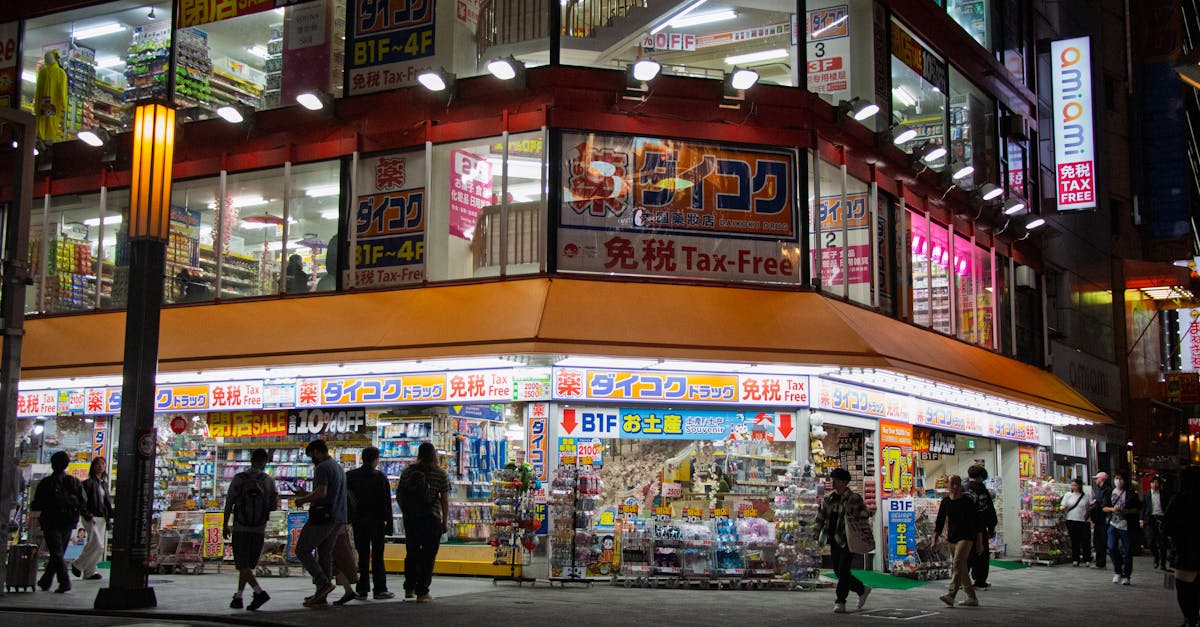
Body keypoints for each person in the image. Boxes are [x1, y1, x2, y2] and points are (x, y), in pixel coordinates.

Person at [223, 448, 279, 611]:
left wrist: (225, 524)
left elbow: (229, 503)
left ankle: (259, 592)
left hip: (241, 527)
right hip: (259, 529)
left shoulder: (239, 478)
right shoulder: (269, 481)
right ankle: (238, 596)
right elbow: (273, 506)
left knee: (242, 564)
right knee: (247, 565)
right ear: (264, 462)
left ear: (251, 460)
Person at [293, 439, 347, 607]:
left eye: (311, 456)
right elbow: (328, 492)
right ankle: (321, 595)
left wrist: (302, 499)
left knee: (302, 549)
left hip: (323, 516)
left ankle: (322, 583)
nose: (312, 460)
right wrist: (309, 493)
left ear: (317, 452)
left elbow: (322, 493)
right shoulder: (338, 467)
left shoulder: (322, 467)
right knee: (325, 554)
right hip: (338, 517)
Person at [396, 442, 451, 603]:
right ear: (434, 454)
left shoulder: (408, 471)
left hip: (412, 519)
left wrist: (406, 511)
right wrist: (444, 521)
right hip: (431, 518)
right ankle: (423, 591)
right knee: (428, 555)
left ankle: (409, 587)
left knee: (412, 553)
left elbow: (399, 494)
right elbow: (445, 500)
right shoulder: (440, 473)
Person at [813, 467, 872, 614]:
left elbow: (866, 513)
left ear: (844, 482)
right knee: (839, 572)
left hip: (848, 539)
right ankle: (861, 589)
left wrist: (852, 511)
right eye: (832, 479)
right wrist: (815, 534)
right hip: (833, 539)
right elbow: (820, 518)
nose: (833, 482)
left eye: (836, 479)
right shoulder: (828, 498)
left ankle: (840, 601)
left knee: (843, 569)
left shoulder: (854, 498)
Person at [31, 451, 84, 593]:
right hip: (68, 521)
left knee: (56, 552)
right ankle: (46, 580)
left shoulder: (46, 482)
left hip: (50, 521)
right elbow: (83, 501)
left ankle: (64, 581)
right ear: (67, 464)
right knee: (58, 552)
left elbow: (37, 504)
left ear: (52, 464)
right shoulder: (74, 481)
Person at [346, 446, 395, 599]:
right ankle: (380, 589)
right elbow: (386, 502)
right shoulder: (380, 477)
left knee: (363, 555)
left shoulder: (350, 476)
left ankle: (362, 588)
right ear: (376, 459)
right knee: (378, 555)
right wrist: (390, 524)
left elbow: (346, 499)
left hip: (359, 520)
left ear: (362, 458)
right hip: (377, 521)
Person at [933, 475, 984, 608]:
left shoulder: (968, 501)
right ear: (948, 486)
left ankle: (951, 595)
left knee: (957, 564)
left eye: (957, 484)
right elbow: (939, 522)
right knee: (961, 567)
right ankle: (972, 597)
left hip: (967, 537)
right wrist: (934, 540)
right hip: (952, 538)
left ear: (961, 485)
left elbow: (977, 522)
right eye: (952, 484)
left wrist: (980, 542)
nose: (955, 487)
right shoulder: (945, 502)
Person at [1165, 466, 1200, 627]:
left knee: (1184, 590)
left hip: (1185, 553)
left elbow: (1167, 526)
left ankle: (1190, 619)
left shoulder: (1179, 500)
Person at [73, 457, 113, 580]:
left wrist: (110, 516)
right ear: (93, 466)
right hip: (91, 516)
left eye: (103, 464)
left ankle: (90, 571)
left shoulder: (104, 484)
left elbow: (106, 502)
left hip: (101, 517)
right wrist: (86, 514)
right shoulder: (88, 483)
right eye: (98, 464)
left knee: (98, 546)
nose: (101, 466)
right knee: (97, 544)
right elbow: (82, 502)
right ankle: (78, 564)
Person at [1104, 469, 1141, 585]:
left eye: (1120, 479)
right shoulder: (1110, 492)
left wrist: (1126, 511)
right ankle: (1118, 571)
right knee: (1111, 547)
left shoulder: (1131, 494)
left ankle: (1126, 575)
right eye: (1116, 478)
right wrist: (1112, 509)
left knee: (1128, 550)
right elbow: (1104, 507)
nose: (1118, 481)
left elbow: (1137, 508)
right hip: (1113, 524)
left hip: (1126, 525)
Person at [963, 465, 997, 589]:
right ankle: (980, 581)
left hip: (963, 528)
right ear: (981, 477)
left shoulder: (962, 488)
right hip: (979, 527)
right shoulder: (982, 490)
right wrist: (992, 526)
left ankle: (962, 580)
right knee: (981, 554)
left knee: (964, 554)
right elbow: (989, 510)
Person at [1059, 477, 1092, 566]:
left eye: (1075, 485)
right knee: (1074, 540)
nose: (1073, 487)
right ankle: (1075, 559)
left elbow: (1089, 507)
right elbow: (1063, 505)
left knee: (1085, 540)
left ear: (1080, 486)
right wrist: (1062, 507)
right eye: (1072, 485)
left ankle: (1087, 559)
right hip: (1071, 519)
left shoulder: (1086, 496)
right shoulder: (1068, 495)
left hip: (1084, 521)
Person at [1142, 475, 1171, 570]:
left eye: (1156, 482)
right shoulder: (1147, 494)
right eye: (1153, 482)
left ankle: (1162, 564)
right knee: (1150, 541)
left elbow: (1168, 506)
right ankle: (1156, 556)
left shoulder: (1164, 494)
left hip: (1161, 519)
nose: (1154, 485)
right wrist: (1141, 519)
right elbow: (1144, 507)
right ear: (1150, 484)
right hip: (1150, 519)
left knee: (1163, 543)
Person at [1088, 471, 1113, 569]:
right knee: (1097, 541)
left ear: (1102, 479)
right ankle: (1099, 561)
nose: (1095, 481)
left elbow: (1104, 504)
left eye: (1096, 478)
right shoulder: (1099, 490)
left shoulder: (1107, 490)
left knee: (1101, 541)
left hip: (1103, 518)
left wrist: (1096, 503)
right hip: (1098, 518)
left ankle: (1101, 562)